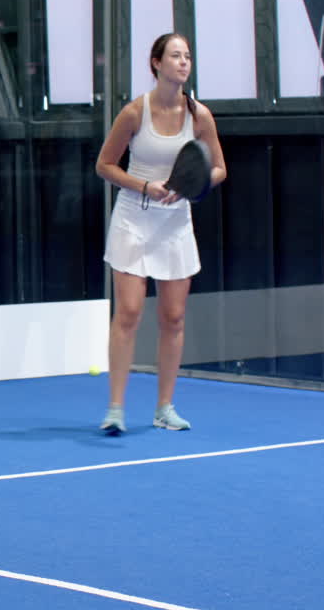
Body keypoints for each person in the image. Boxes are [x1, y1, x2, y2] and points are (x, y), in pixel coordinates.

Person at [94, 32, 227, 435]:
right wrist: (144, 186)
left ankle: (164, 408)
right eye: (175, 55)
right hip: (135, 216)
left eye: (187, 56)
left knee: (173, 316)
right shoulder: (134, 113)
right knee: (130, 312)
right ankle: (115, 408)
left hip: (175, 222)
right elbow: (105, 165)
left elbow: (219, 168)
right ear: (156, 63)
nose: (184, 62)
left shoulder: (199, 115)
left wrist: (194, 186)